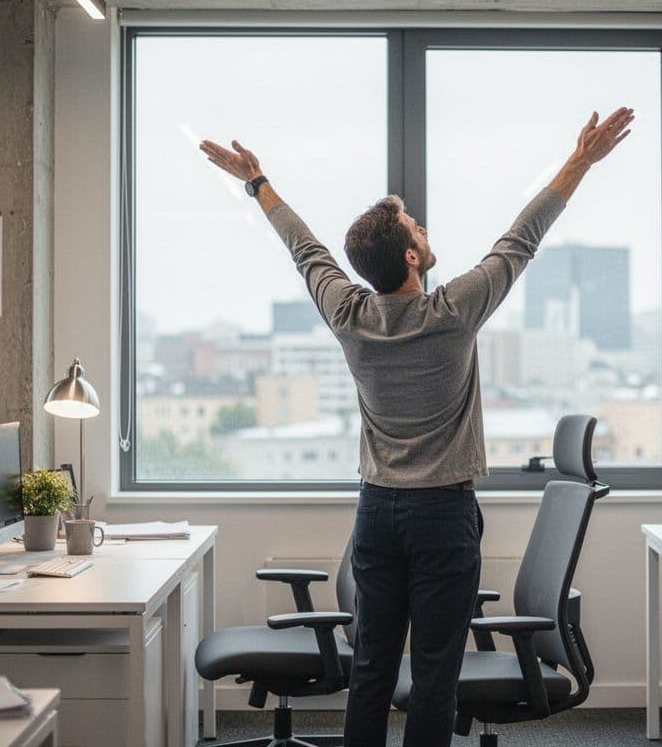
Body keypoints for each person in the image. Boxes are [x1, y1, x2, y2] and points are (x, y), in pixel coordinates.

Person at [199, 107, 634, 747]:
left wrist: (257, 183)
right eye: (415, 226)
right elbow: (523, 237)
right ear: (411, 255)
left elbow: (304, 250)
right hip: (443, 517)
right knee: (434, 675)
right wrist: (581, 161)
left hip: (376, 514)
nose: (424, 229)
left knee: (372, 668)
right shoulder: (453, 312)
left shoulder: (348, 314)